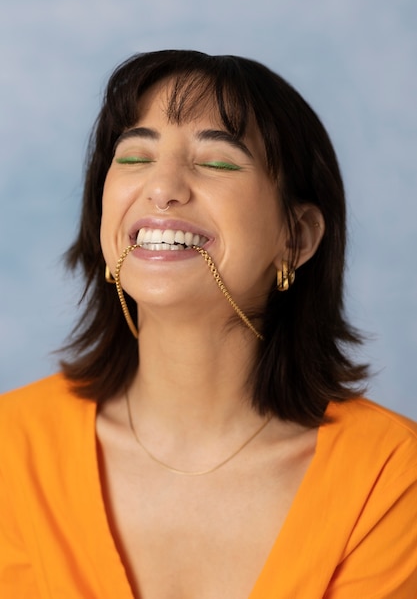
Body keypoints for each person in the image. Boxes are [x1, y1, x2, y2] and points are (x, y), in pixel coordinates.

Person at [1, 50, 416, 599]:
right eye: (134, 157)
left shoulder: (391, 477)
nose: (163, 187)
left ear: (297, 237)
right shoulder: (11, 447)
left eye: (217, 162)